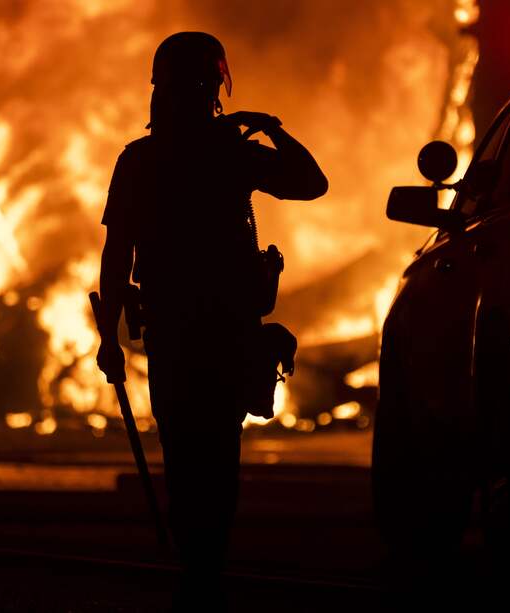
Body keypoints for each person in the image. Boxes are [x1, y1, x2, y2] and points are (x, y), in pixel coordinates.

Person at [96, 31, 327, 605]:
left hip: (173, 332)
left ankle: (193, 562)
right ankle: (208, 567)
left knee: (182, 449)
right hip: (224, 329)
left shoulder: (139, 158)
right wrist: (271, 127)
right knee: (219, 454)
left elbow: (116, 254)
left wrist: (108, 338)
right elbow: (310, 182)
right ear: (214, 89)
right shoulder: (229, 151)